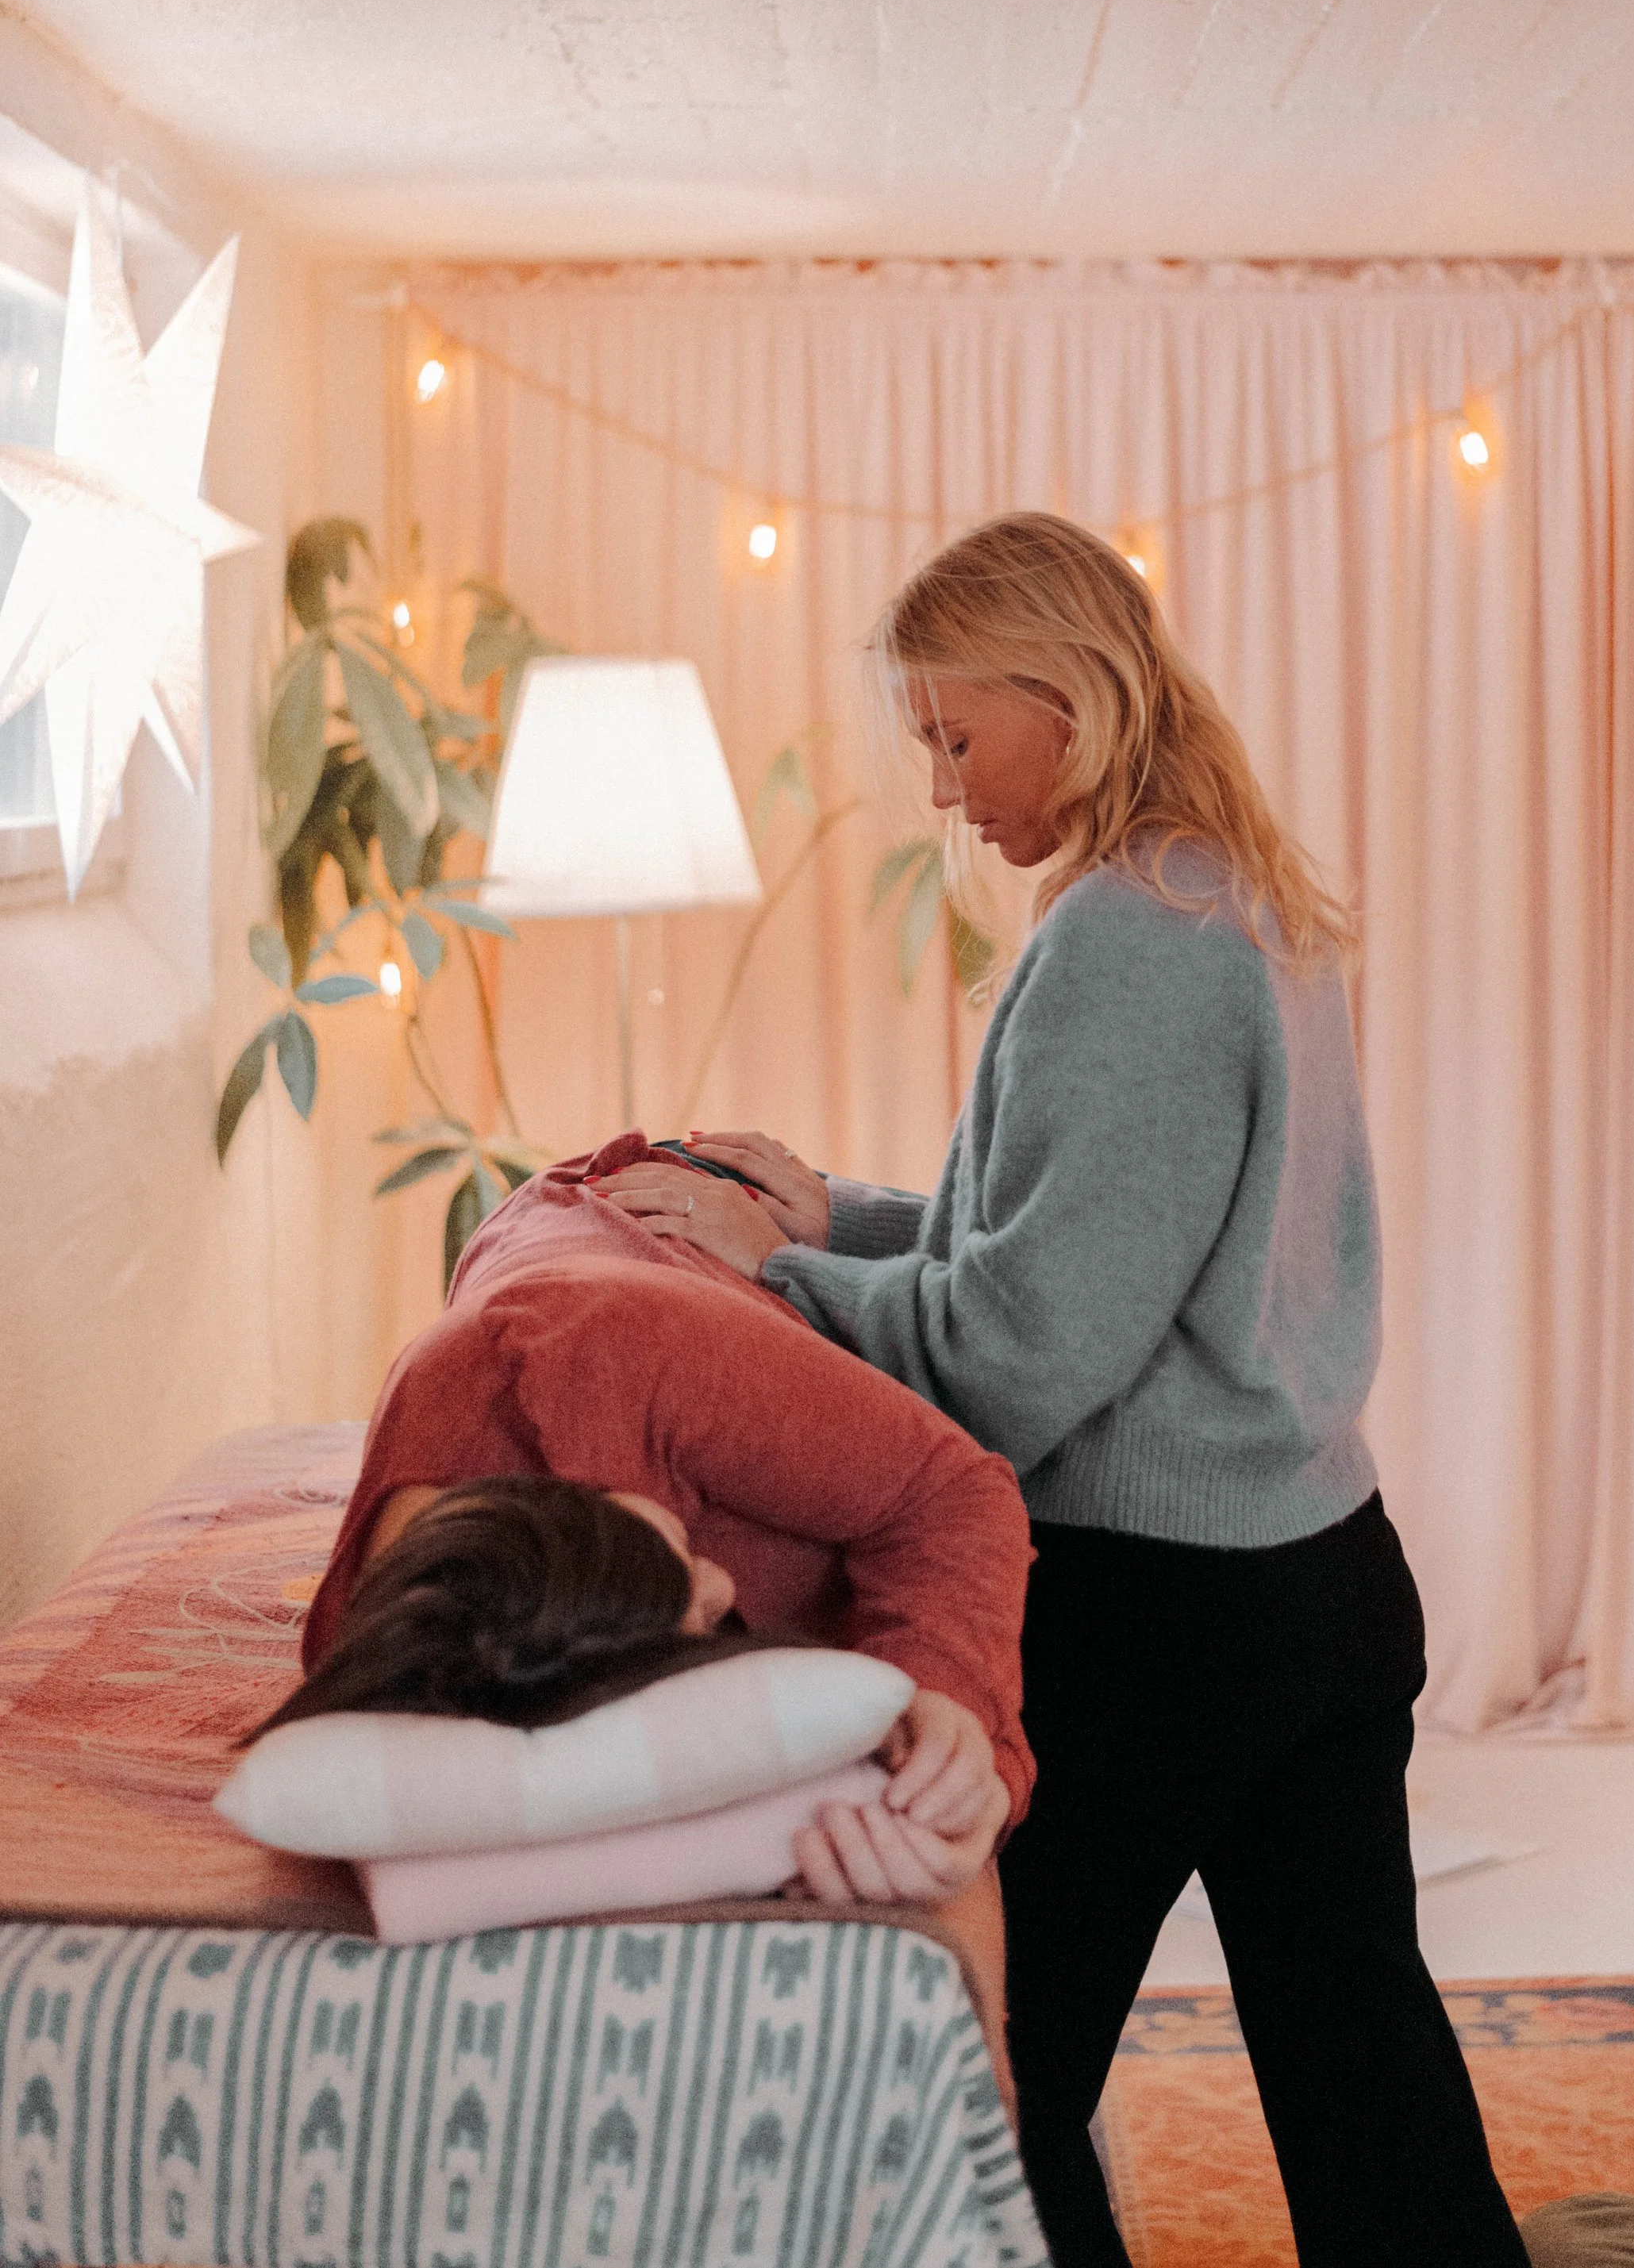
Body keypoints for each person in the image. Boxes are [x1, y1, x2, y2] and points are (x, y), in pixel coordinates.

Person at [602, 510, 1530, 2266]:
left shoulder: (1128, 940)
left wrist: (773, 1278)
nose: (943, 789)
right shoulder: (1229, 891)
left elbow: (1016, 1351)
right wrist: (831, 1210)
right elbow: (1091, 1242)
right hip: (1317, 1571)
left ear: (1070, 696)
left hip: (1160, 1617)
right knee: (1363, 2079)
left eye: (958, 736)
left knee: (971, 2087)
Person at [279, 1136, 1035, 1910]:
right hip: (547, 1272)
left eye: (678, 1551)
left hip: (664, 1208)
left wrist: (951, 1709)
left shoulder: (621, 1351)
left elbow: (955, 1493)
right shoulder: (389, 1648)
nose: (723, 1585)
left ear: (589, 1489)